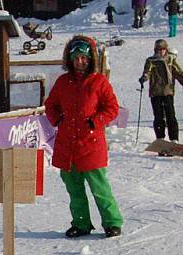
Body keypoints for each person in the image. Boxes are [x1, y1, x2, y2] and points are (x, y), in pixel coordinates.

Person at [44, 36, 124, 239]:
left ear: (91, 59)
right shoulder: (63, 82)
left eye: (84, 58)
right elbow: (51, 105)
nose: (80, 62)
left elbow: (112, 108)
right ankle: (81, 223)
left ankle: (112, 222)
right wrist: (57, 119)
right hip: (67, 146)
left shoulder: (99, 82)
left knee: (100, 189)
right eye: (76, 58)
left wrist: (95, 121)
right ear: (70, 59)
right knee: (75, 190)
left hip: (91, 145)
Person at [138, 39, 183, 148]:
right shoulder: (151, 61)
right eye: (158, 49)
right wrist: (144, 78)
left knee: (171, 116)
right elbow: (147, 72)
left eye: (163, 49)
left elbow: (178, 72)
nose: (161, 51)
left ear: (166, 49)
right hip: (155, 92)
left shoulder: (170, 59)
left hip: (168, 91)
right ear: (155, 50)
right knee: (158, 116)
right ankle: (160, 139)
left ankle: (174, 139)